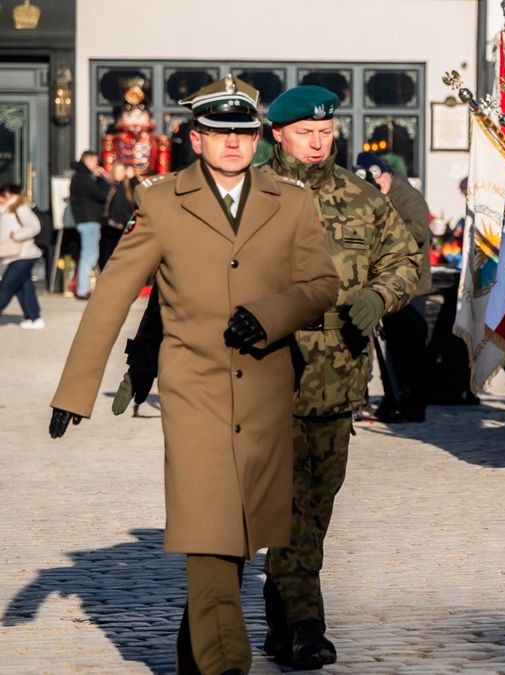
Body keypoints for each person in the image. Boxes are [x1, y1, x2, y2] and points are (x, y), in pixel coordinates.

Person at [47, 74, 339, 675]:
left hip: (264, 387)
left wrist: (268, 315)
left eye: (243, 133)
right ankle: (225, 663)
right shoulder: (157, 202)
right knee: (207, 522)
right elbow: (112, 297)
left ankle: (194, 653)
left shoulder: (293, 201)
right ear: (195, 138)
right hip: (194, 390)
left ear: (259, 137)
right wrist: (76, 390)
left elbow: (321, 286)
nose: (233, 144)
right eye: (218, 133)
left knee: (238, 529)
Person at [261, 85, 421, 668]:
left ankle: (282, 615)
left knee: (316, 507)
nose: (318, 142)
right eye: (305, 132)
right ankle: (306, 625)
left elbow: (406, 259)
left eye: (325, 132)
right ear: (277, 133)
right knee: (287, 506)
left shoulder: (362, 198)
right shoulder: (253, 196)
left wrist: (381, 295)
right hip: (266, 375)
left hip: (338, 378)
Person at [355, 150, 433, 423]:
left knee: (410, 349)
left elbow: (419, 232)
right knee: (393, 349)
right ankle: (393, 399)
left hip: (411, 287)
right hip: (387, 285)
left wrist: (383, 238)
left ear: (383, 174)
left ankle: (413, 405)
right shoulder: (378, 197)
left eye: (378, 185)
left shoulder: (408, 198)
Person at [0, 183, 44, 329]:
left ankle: (35, 318)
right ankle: (35, 318)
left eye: (4, 195)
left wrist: (16, 235)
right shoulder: (6, 209)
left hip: (24, 254)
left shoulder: (20, 207)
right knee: (24, 287)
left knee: (6, 287)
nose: (1, 198)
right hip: (15, 255)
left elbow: (35, 226)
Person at [68, 150, 111, 299]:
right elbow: (101, 194)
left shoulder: (80, 176)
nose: (97, 164)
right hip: (88, 221)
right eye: (95, 161)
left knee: (91, 255)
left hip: (87, 220)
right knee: (89, 255)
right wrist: (103, 178)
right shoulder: (83, 178)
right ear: (88, 160)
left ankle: (83, 288)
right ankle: (82, 289)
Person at [100, 160, 137, 270]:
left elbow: (141, 191)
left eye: (122, 171)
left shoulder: (128, 187)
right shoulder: (111, 186)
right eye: (118, 171)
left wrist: (133, 178)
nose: (120, 173)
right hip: (112, 227)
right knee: (111, 254)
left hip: (126, 226)